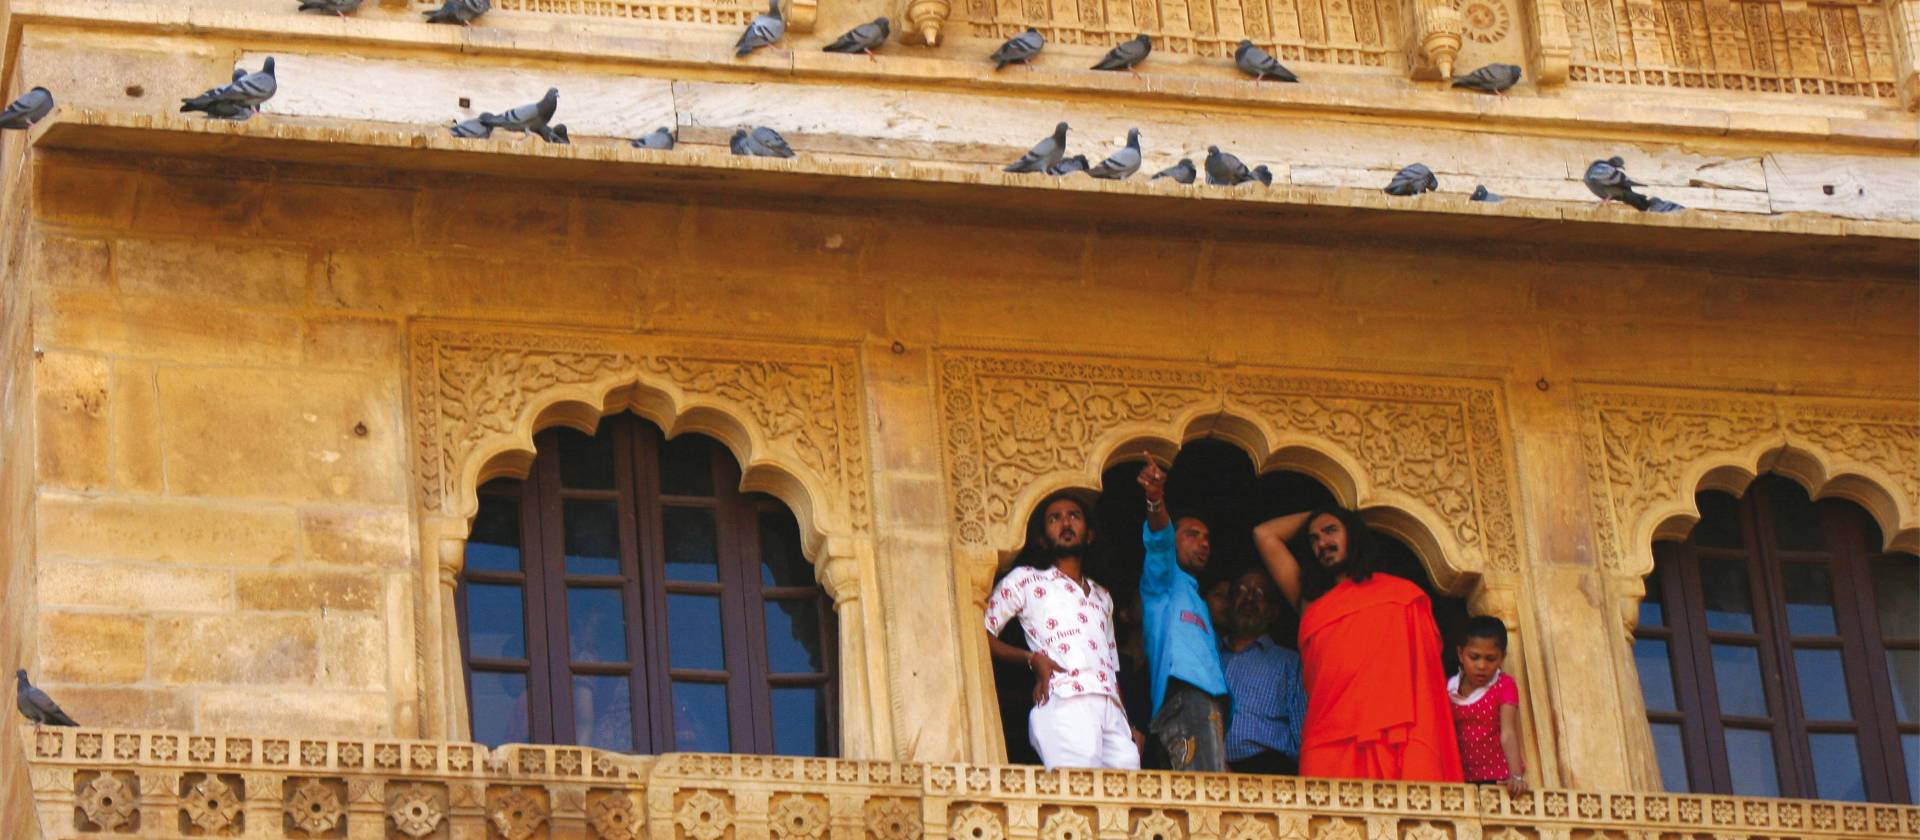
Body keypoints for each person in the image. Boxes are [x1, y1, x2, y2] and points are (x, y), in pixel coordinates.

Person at [1254, 506, 1462, 782]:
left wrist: (1344, 510)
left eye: (1330, 531)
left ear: (1354, 535)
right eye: (1313, 539)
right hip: (1326, 741)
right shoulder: (1311, 602)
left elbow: (1424, 683)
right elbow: (1264, 534)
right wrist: (1317, 513)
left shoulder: (1401, 595)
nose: (1322, 543)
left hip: (1390, 736)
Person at [984, 491, 1142, 769]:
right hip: (1065, 699)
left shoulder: (1103, 596)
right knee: (1078, 799)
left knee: (1129, 801)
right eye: (1055, 518)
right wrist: (1031, 659)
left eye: (1074, 516)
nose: (1065, 523)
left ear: (1089, 534)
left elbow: (1111, 664)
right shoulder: (1026, 580)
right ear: (1043, 538)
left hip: (1112, 710)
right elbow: (981, 634)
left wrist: (1126, 720)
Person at [1136, 454, 1232, 772]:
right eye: (1192, 534)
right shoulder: (1163, 582)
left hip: (1204, 706)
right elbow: (1158, 542)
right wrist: (1155, 499)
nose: (1203, 544)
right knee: (1207, 801)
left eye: (1207, 538)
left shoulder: (1197, 598)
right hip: (1185, 697)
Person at [1207, 568, 1308, 774]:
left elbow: (1303, 736)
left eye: (1259, 594)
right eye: (1242, 592)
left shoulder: (1289, 662)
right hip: (1209, 771)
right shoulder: (1209, 657)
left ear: (1273, 612)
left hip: (1268, 772)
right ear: (1230, 605)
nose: (1250, 598)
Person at [1450, 616, 1528, 795]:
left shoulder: (1504, 685)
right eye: (1474, 657)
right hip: (1460, 780)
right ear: (1460, 654)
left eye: (1491, 658)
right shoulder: (1448, 689)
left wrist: (1516, 777)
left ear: (1502, 658)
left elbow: (1508, 732)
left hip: (1499, 780)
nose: (1482, 665)